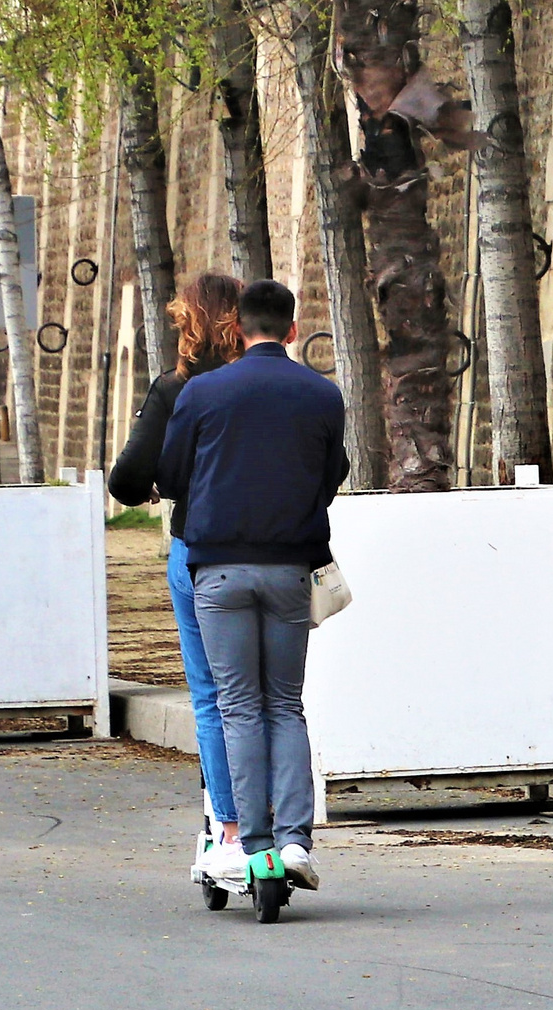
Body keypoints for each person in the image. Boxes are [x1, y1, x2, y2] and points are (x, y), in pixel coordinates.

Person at [157, 279, 348, 892]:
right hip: (290, 566)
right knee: (285, 705)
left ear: (237, 330)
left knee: (237, 704)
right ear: (293, 330)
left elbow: (170, 471)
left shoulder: (205, 391)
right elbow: (332, 471)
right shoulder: (322, 394)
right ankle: (294, 842)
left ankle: (249, 844)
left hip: (217, 568)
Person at [108, 272, 247, 881]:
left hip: (199, 551)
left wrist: (168, 482)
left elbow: (127, 481)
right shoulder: (272, 385)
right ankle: (287, 825)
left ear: (187, 322)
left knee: (213, 698)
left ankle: (229, 826)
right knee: (272, 699)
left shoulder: (175, 389)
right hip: (277, 554)